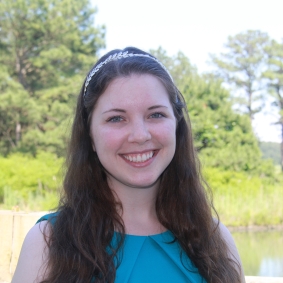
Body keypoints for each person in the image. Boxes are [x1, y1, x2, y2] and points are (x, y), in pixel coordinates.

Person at [12, 47, 245, 283]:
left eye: (155, 115)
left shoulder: (216, 240)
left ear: (177, 124)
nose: (140, 135)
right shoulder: (47, 243)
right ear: (90, 135)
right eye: (116, 118)